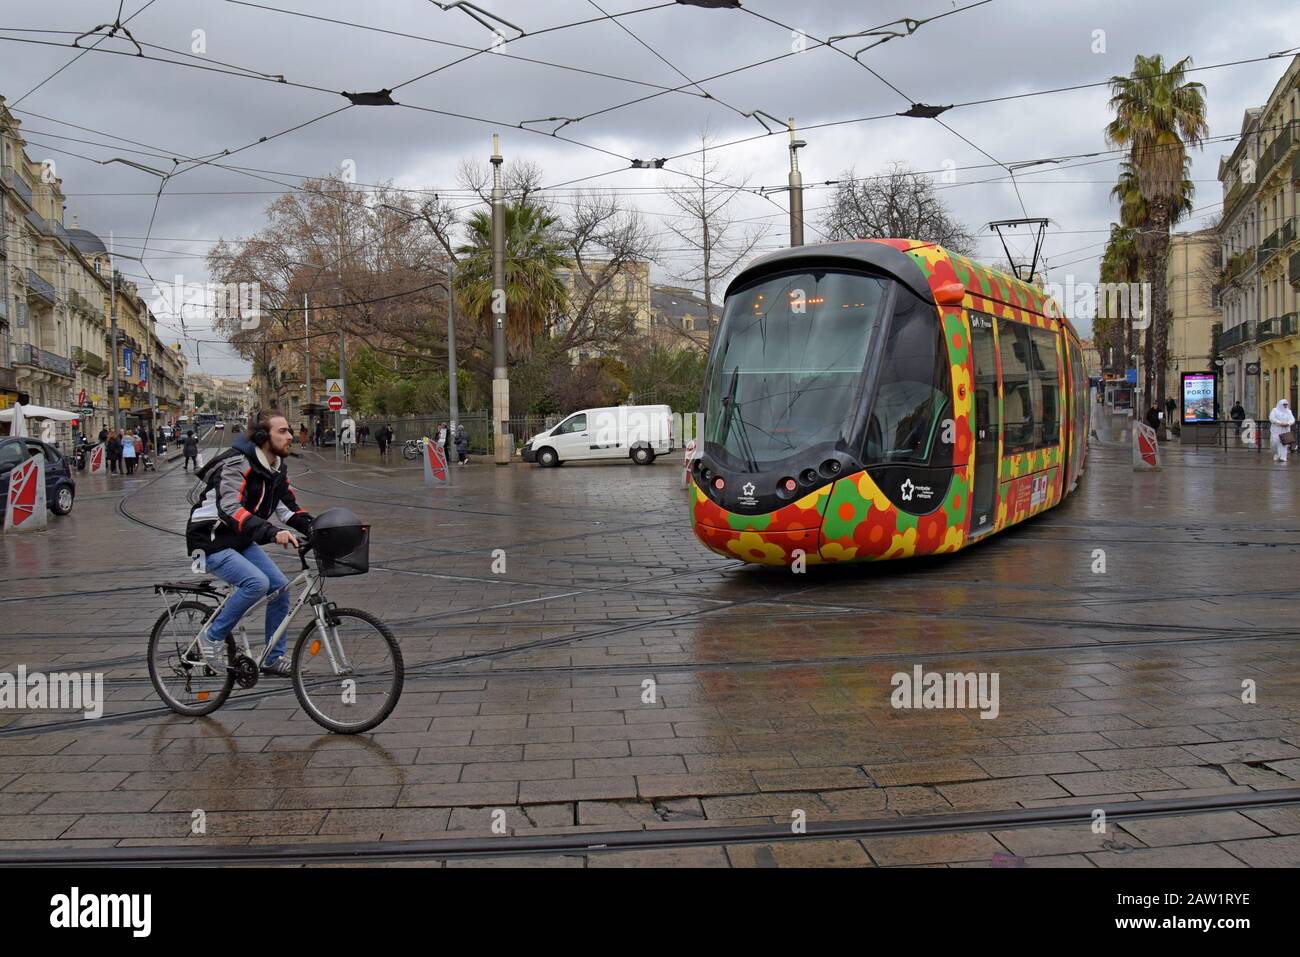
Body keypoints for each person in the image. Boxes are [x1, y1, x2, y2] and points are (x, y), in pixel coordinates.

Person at [186, 411, 314, 676]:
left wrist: (319, 528)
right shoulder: (237, 464)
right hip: (210, 538)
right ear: (262, 437)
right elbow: (230, 508)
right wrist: (270, 532)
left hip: (239, 539)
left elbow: (288, 510)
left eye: (289, 430)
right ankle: (211, 636)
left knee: (280, 586)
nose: (290, 436)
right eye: (282, 431)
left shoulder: (276, 469)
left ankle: (272, 657)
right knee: (257, 583)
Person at [1269, 398, 1295, 464]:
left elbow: (1292, 419)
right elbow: (1271, 418)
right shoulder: (1274, 410)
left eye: (1286, 404)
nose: (1285, 406)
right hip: (1276, 430)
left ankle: (1283, 457)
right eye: (1284, 404)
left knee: (1284, 443)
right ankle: (1277, 454)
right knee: (1274, 442)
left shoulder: (1289, 411)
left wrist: (1288, 423)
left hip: (1285, 430)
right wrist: (1279, 423)